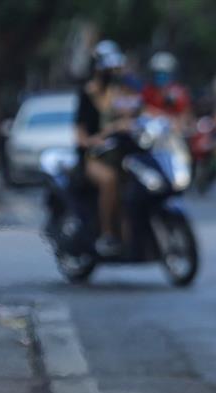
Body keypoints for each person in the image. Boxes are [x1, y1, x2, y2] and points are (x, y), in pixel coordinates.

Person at [75, 40, 135, 257]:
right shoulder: (87, 94)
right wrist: (96, 139)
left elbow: (134, 115)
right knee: (109, 179)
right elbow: (80, 134)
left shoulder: (119, 94)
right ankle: (107, 234)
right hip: (93, 158)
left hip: (119, 155)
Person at [141, 51, 193, 126]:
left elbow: (184, 116)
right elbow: (144, 109)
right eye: (157, 73)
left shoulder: (179, 93)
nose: (160, 76)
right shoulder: (148, 90)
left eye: (163, 73)